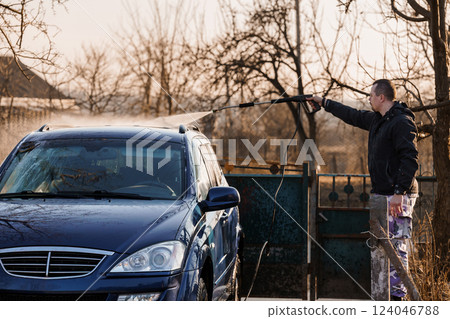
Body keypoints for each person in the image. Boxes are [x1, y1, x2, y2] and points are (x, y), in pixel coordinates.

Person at [308, 79, 419, 301]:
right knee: (381, 249)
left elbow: (410, 159)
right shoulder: (378, 120)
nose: (368, 98)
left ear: (381, 97)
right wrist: (324, 102)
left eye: (371, 95)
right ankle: (384, 298)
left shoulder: (401, 122)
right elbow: (352, 115)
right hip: (382, 195)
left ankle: (398, 300)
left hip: (398, 195)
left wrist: (399, 192)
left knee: (397, 247)